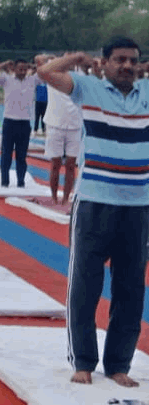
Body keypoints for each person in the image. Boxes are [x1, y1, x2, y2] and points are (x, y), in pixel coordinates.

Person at [38, 39, 149, 388]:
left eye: (132, 60)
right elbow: (46, 72)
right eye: (119, 60)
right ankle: (83, 361)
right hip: (94, 202)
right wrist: (75, 56)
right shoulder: (88, 88)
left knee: (131, 289)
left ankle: (118, 364)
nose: (126, 66)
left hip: (138, 205)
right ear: (105, 63)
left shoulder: (147, 93)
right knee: (85, 286)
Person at [0, 57, 40, 187]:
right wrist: (4, 63)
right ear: (14, 69)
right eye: (20, 69)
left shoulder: (33, 80)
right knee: (6, 154)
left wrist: (34, 66)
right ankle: (5, 182)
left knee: (21, 156)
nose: (22, 71)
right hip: (9, 122)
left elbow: (46, 72)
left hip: (25, 123)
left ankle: (21, 182)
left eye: (25, 69)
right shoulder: (6, 79)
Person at [42, 58, 82, 205]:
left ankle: (66, 197)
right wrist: (61, 59)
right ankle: (54, 196)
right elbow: (39, 59)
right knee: (55, 163)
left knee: (71, 165)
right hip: (54, 124)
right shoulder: (52, 75)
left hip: (75, 125)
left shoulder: (80, 77)